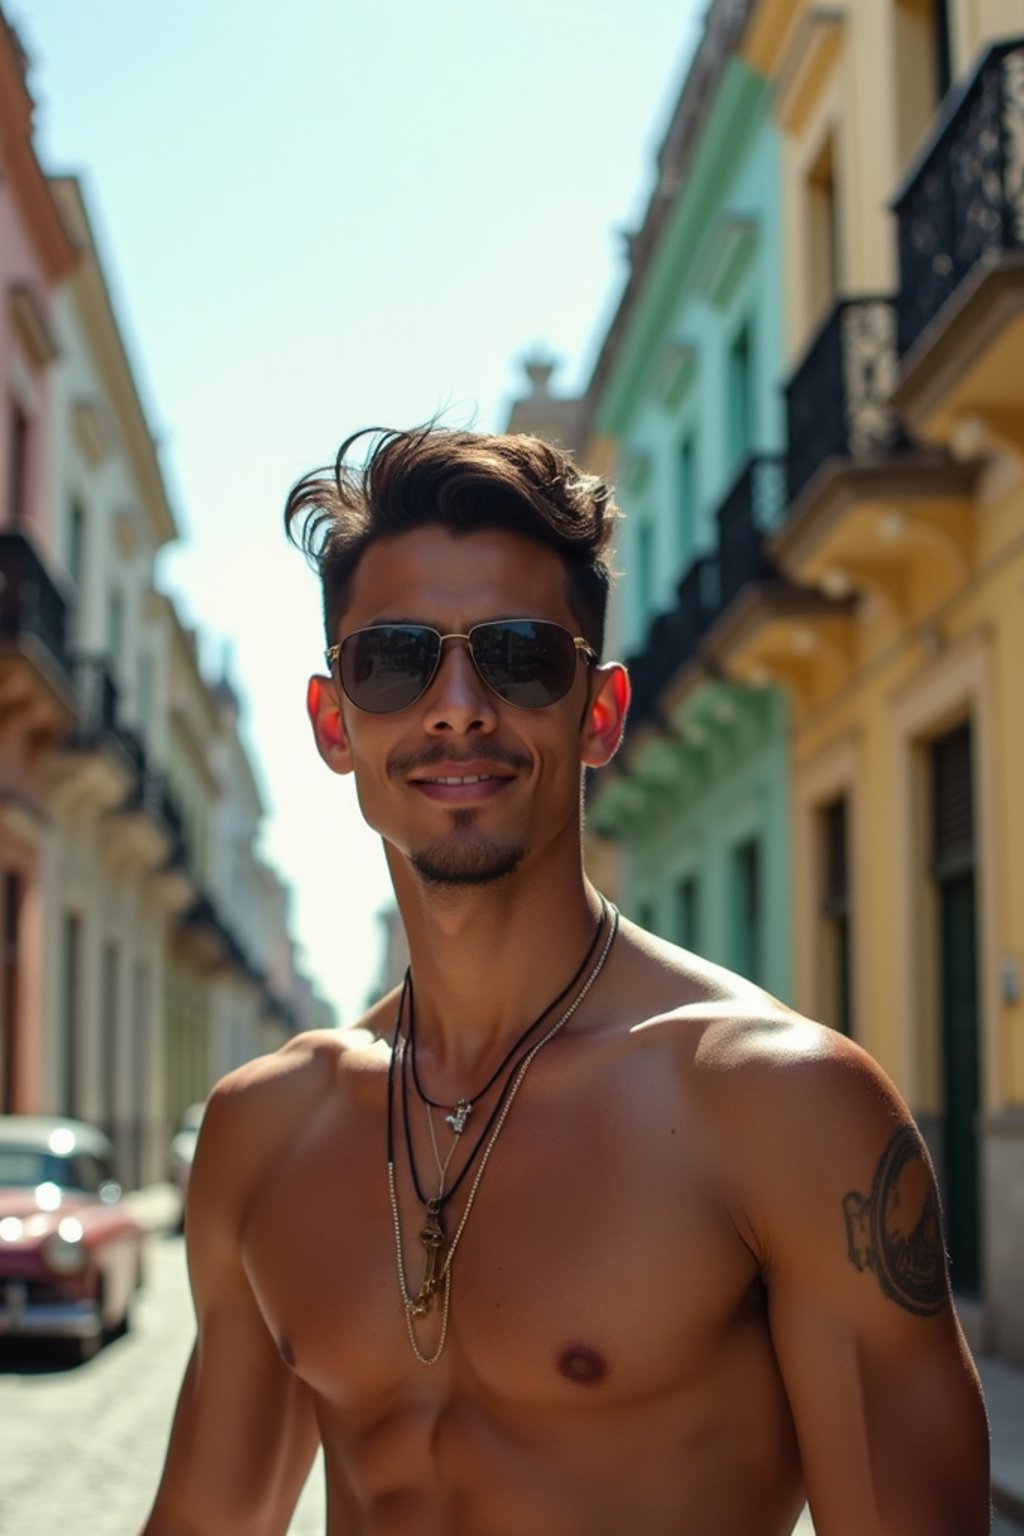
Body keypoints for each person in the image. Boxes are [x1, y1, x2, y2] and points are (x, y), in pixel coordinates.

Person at [142, 426, 990, 1536]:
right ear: (332, 720)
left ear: (598, 712)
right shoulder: (263, 1131)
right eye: (395, 658)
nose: (456, 705)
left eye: (520, 655)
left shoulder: (781, 1107)